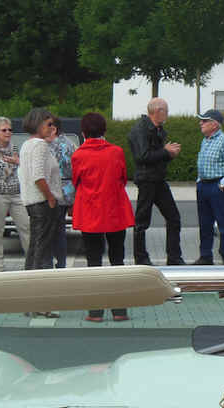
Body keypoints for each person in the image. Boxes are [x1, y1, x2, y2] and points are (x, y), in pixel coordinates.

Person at [71, 112, 135, 322]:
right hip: (115, 211)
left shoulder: (79, 155)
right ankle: (119, 310)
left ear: (83, 132)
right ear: (104, 131)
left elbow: (76, 181)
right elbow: (123, 178)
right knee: (117, 260)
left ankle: (95, 311)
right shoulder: (116, 152)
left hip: (91, 212)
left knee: (94, 262)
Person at [128, 98, 184, 265]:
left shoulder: (157, 129)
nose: (167, 114)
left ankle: (174, 258)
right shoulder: (140, 129)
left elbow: (156, 156)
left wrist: (169, 154)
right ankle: (141, 258)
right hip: (146, 180)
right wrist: (166, 151)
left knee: (173, 217)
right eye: (166, 111)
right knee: (142, 221)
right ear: (157, 111)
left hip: (158, 180)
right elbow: (142, 156)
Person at [0, 116, 30, 272]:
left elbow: (25, 168)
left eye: (10, 129)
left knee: (25, 227)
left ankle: (31, 262)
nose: (8, 132)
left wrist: (18, 162)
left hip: (16, 194)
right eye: (4, 130)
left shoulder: (15, 149)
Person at [18, 108, 63, 275]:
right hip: (42, 202)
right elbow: (38, 176)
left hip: (31, 202)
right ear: (38, 124)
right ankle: (36, 279)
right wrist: (50, 198)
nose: (52, 128)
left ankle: (29, 276)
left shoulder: (26, 144)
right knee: (43, 248)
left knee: (35, 245)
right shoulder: (40, 145)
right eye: (49, 124)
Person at [194, 109, 224, 265]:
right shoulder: (205, 140)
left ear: (214, 124)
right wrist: (199, 180)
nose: (201, 123)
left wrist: (223, 183)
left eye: (204, 120)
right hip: (203, 185)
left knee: (223, 223)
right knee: (204, 224)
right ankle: (205, 256)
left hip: (217, 186)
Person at [47, 117, 77, 268]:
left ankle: (56, 263)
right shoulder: (71, 143)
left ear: (53, 129)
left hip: (56, 190)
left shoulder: (51, 146)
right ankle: (61, 263)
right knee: (60, 229)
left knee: (54, 229)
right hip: (69, 190)